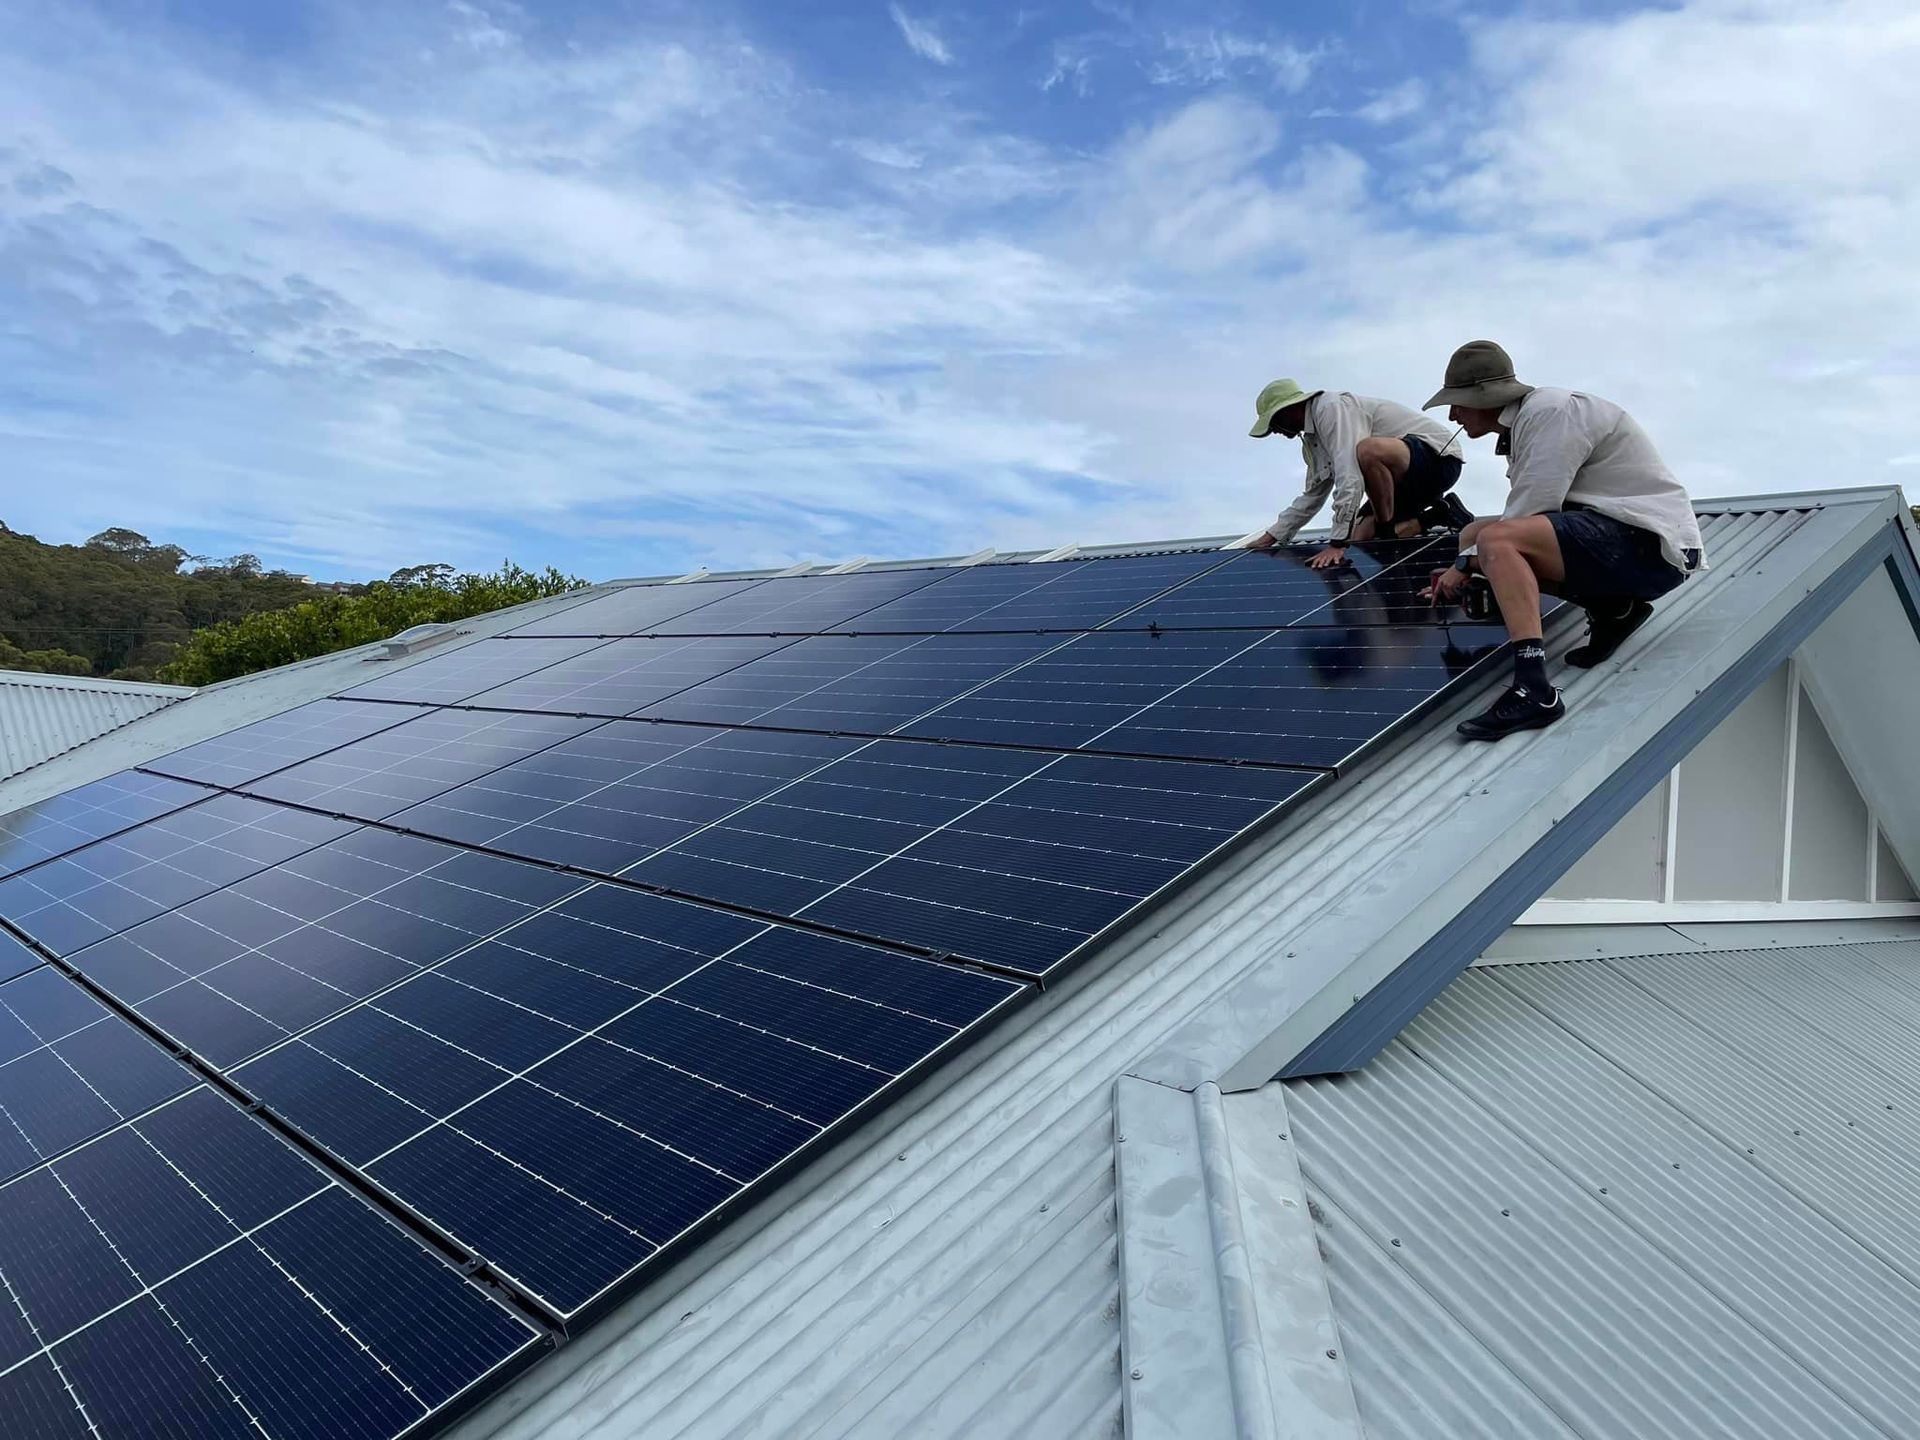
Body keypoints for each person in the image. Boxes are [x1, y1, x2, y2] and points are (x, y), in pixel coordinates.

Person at [1420, 340, 1707, 742]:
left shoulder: (1550, 411)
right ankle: (1615, 610)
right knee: (1474, 534)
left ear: (1482, 396)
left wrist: (1463, 566)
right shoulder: (1526, 424)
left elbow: (1532, 510)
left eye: (1458, 404)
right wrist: (1469, 557)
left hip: (1647, 545)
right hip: (1616, 543)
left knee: (1495, 542)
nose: (1452, 415)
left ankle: (1534, 689)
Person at [1247, 379, 1472, 569]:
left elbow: (1350, 476)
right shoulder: (1314, 441)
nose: (1274, 431)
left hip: (1438, 459)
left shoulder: (1330, 408)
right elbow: (1312, 496)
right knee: (1360, 539)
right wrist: (1271, 537)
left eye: (1274, 423)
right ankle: (1438, 514)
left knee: (1367, 451)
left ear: (1289, 410)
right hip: (1399, 480)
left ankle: (1386, 530)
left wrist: (1336, 543)